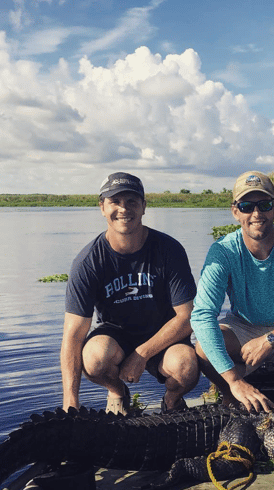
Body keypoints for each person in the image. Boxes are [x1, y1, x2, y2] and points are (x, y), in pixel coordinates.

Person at [61, 172, 199, 414]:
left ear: (144, 207)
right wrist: (71, 400)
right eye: (115, 201)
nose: (123, 209)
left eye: (132, 202)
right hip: (116, 334)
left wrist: (142, 354)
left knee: (186, 367)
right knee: (94, 359)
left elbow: (186, 317)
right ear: (102, 207)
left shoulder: (170, 249)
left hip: (163, 332)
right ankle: (116, 391)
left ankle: (172, 401)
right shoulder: (88, 261)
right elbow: (73, 334)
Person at [191, 170, 274, 413]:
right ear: (235, 211)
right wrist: (233, 380)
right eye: (246, 206)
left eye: (264, 204)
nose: (256, 214)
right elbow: (202, 315)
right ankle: (230, 394)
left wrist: (272, 338)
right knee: (203, 347)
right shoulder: (223, 251)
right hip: (243, 325)